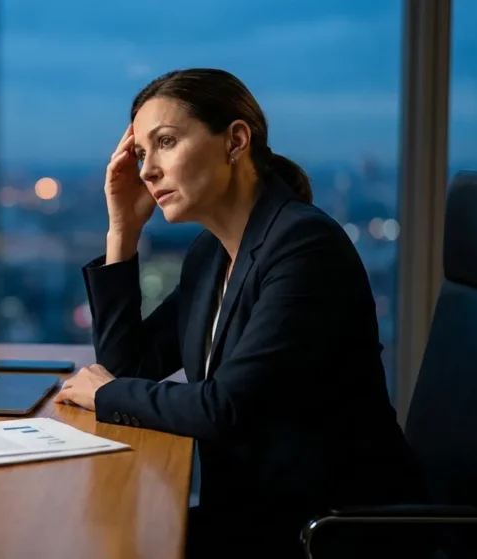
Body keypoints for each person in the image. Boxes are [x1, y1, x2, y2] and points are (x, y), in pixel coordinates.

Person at [52, 68, 427, 557]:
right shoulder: (211, 255)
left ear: (235, 140)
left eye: (165, 142)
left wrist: (106, 394)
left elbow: (225, 409)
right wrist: (122, 231)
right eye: (141, 154)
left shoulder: (304, 247)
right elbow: (129, 368)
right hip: (253, 517)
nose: (146, 171)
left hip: (327, 531)